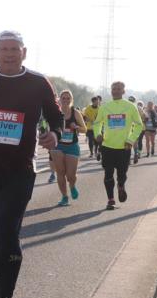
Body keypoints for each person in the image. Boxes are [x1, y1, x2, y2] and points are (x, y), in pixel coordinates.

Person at [0, 30, 63, 298]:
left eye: (15, 49)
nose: (9, 53)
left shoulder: (38, 82)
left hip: (21, 171)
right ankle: (1, 272)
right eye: (4, 48)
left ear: (24, 52)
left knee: (8, 231)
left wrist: (54, 133)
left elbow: (56, 116)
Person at [92, 81, 143, 210]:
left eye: (118, 89)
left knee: (122, 174)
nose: (115, 91)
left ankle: (121, 185)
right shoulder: (105, 107)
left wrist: (130, 140)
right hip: (107, 146)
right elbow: (97, 123)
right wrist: (98, 134)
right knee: (108, 174)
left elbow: (139, 125)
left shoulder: (131, 107)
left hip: (124, 147)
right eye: (113, 89)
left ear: (123, 91)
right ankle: (110, 199)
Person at [50, 89, 86, 206]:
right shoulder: (55, 112)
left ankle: (72, 185)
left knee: (71, 175)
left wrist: (76, 127)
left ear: (71, 100)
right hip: (57, 146)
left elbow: (84, 129)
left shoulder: (75, 113)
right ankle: (64, 197)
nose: (65, 100)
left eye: (68, 98)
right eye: (63, 98)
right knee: (60, 172)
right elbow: (48, 126)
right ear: (59, 99)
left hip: (72, 146)